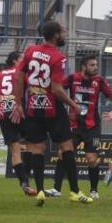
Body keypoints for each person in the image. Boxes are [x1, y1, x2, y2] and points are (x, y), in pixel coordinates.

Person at [10, 20, 92, 205]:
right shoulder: (58, 57)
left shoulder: (31, 51)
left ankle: (39, 191)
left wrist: (18, 102)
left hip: (33, 107)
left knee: (37, 149)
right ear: (56, 34)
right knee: (67, 147)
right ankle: (74, 191)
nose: (65, 34)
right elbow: (56, 89)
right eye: (63, 31)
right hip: (53, 108)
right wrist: (73, 104)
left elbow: (19, 76)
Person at [51, 54, 112, 200]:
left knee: (91, 159)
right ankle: (56, 189)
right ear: (83, 66)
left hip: (92, 126)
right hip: (74, 125)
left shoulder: (99, 81)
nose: (95, 67)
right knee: (62, 153)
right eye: (92, 65)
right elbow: (57, 90)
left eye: (96, 65)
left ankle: (94, 190)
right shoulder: (72, 78)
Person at [0, 50, 36, 196]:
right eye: (22, 58)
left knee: (15, 150)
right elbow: (32, 88)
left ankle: (24, 182)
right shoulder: (22, 73)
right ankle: (27, 178)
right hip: (19, 111)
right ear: (16, 60)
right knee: (33, 144)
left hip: (4, 114)